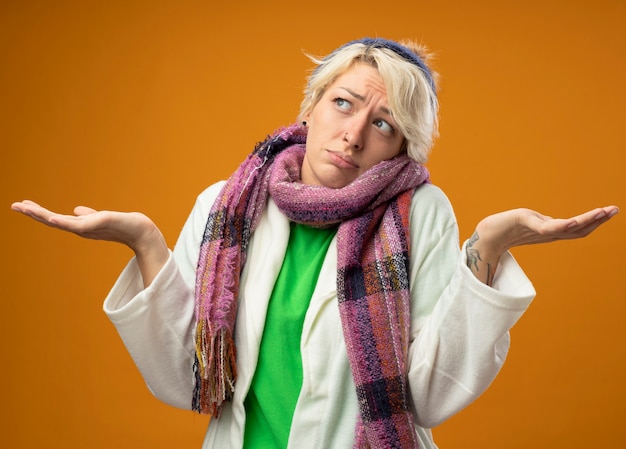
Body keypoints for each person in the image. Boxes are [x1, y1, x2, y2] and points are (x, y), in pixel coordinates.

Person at [11, 37, 618, 449]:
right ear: (310, 107)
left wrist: (489, 245)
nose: (352, 135)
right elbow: (184, 380)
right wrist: (145, 243)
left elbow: (428, 399)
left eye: (382, 125)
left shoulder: (420, 213)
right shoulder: (227, 203)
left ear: (402, 148)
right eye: (343, 104)